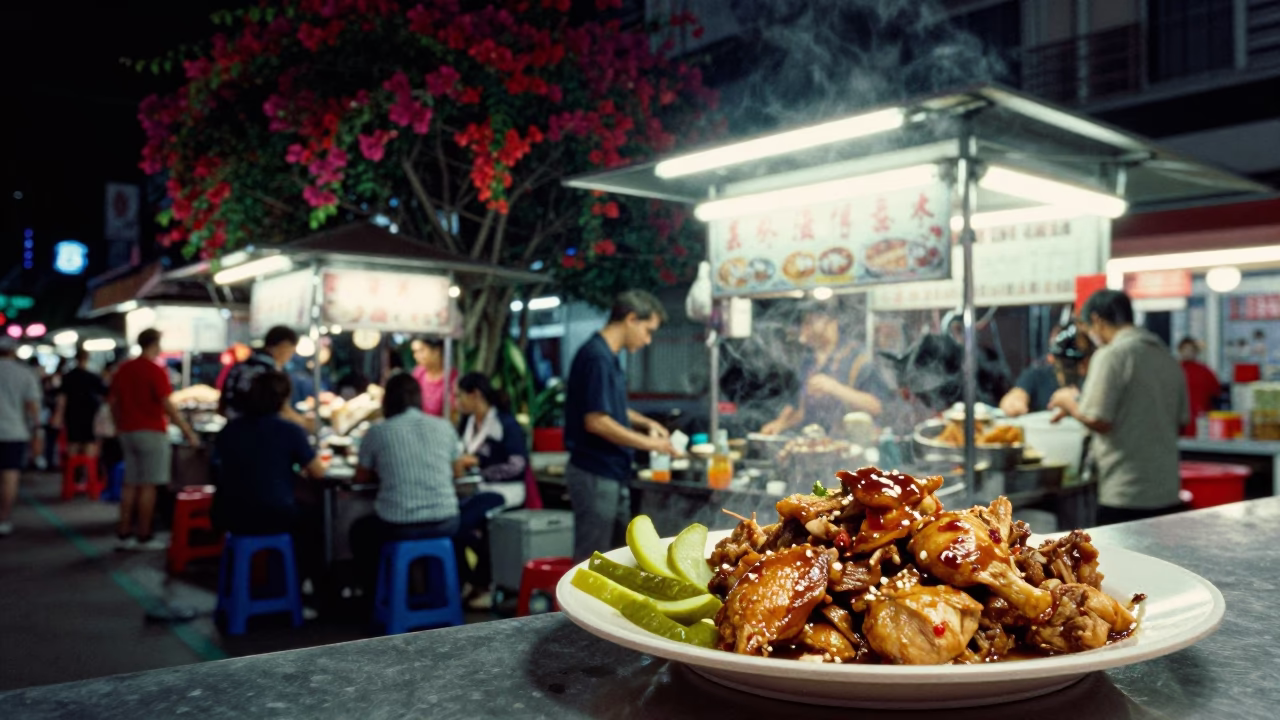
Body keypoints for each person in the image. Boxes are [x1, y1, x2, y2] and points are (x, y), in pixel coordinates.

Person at [1049, 290, 1188, 526]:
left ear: (1097, 320)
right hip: (1167, 493)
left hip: (1126, 494)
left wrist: (1066, 401)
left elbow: (1098, 419)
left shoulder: (1112, 355)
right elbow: (1182, 422)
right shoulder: (1166, 357)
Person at [350, 373, 489, 597]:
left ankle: (375, 597)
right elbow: (457, 472)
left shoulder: (377, 432)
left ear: (387, 400)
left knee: (360, 531)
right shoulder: (443, 427)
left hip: (398, 524)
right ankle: (441, 596)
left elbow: (360, 478)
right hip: (445, 521)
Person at [564, 290, 677, 562]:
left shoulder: (608, 356)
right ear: (630, 319)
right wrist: (653, 444)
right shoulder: (596, 357)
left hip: (610, 472)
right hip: (595, 472)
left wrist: (646, 422)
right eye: (648, 331)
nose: (648, 340)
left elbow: (609, 408)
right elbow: (597, 421)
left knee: (615, 556)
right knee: (592, 559)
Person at [212, 371, 327, 575]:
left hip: (228, 513)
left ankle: (275, 578)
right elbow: (318, 472)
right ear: (283, 400)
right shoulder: (290, 431)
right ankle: (300, 586)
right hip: (272, 515)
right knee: (319, 523)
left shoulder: (229, 430)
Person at [109, 329, 200, 550]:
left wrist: (119, 426)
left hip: (127, 432)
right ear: (155, 344)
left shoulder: (124, 369)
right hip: (151, 432)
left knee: (130, 484)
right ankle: (144, 535)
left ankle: (123, 533)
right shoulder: (154, 370)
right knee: (148, 486)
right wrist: (188, 433)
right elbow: (167, 405)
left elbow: (113, 401)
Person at [455, 372, 530, 609]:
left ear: (474, 395)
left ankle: (479, 582)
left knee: (460, 523)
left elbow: (518, 465)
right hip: (476, 488)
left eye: (460, 396)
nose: (457, 401)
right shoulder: (466, 423)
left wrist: (479, 465)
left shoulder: (505, 424)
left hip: (505, 490)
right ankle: (472, 581)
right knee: (452, 521)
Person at [760, 301, 891, 436]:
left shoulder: (859, 358)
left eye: (810, 322)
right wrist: (780, 424)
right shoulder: (808, 362)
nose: (804, 331)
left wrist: (834, 388)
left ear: (831, 322)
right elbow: (799, 410)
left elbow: (877, 406)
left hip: (850, 446)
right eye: (804, 323)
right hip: (814, 443)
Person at [219, 326, 311, 430]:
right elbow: (282, 410)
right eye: (291, 351)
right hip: (257, 434)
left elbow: (222, 406)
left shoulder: (239, 367)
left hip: (232, 431)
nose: (290, 357)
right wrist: (304, 423)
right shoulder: (271, 373)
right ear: (283, 346)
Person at [1000, 324, 1094, 417]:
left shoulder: (1095, 380)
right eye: (1069, 364)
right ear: (1051, 358)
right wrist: (1014, 402)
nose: (1080, 369)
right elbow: (1017, 394)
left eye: (1083, 360)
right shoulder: (1036, 376)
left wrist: (1073, 404)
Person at [0, 339, 42, 537]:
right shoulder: (24, 373)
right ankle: (4, 519)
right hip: (14, 432)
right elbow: (32, 406)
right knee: (10, 477)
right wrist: (37, 431)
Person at [52, 348, 107, 464]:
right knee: (89, 443)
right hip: (89, 414)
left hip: (72, 414)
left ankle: (73, 471)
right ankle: (87, 473)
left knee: (73, 443)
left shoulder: (68, 377)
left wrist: (58, 416)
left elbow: (62, 399)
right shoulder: (93, 377)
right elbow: (104, 394)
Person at [1177, 337, 1220, 437]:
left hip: (1201, 418)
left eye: (1191, 350)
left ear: (1196, 352)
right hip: (1179, 418)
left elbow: (1216, 393)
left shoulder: (1205, 371)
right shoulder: (1174, 370)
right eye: (1185, 349)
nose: (1188, 353)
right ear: (1180, 351)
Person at [410, 337, 457, 418]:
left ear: (436, 351)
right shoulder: (418, 373)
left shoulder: (452, 377)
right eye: (415, 352)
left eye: (422, 351)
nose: (416, 356)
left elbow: (453, 413)